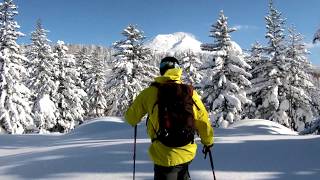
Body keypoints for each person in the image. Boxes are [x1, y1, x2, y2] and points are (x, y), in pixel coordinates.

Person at [125, 56, 214, 180]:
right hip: (186, 151)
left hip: (163, 153)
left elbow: (130, 118)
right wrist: (208, 141)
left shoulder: (149, 92)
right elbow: (203, 119)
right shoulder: (190, 93)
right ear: (178, 70)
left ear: (161, 71)